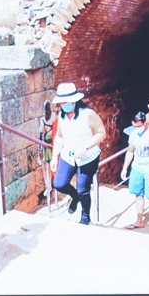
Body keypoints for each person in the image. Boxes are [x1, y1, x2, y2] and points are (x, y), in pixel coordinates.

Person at [50, 82, 106, 225]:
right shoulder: (62, 116)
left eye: (66, 102)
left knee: (83, 189)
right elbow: (60, 136)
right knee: (59, 183)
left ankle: (85, 216)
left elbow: (101, 133)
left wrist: (86, 147)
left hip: (87, 157)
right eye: (62, 102)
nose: (64, 105)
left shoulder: (88, 114)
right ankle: (75, 197)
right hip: (68, 156)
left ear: (74, 100)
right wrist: (55, 156)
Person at [120, 111, 149, 228]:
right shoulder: (133, 134)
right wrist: (125, 168)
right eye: (134, 126)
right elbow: (130, 151)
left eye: (139, 126)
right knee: (138, 194)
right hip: (137, 167)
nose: (137, 129)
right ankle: (139, 220)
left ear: (145, 123)